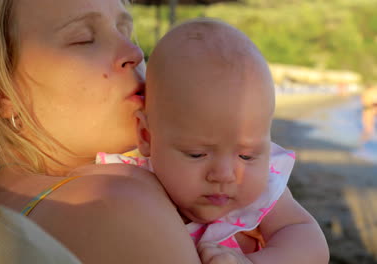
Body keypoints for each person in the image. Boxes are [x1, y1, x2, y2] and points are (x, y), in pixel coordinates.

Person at [0, 0, 207, 263]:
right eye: (83, 39)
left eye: (125, 32)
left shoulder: (3, 206)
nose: (135, 52)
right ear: (1, 94)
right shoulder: (111, 203)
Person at [96, 19, 329, 263]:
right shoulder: (129, 185)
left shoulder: (263, 189)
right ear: (146, 136)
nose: (225, 175)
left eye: (246, 155)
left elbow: (309, 242)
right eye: (197, 154)